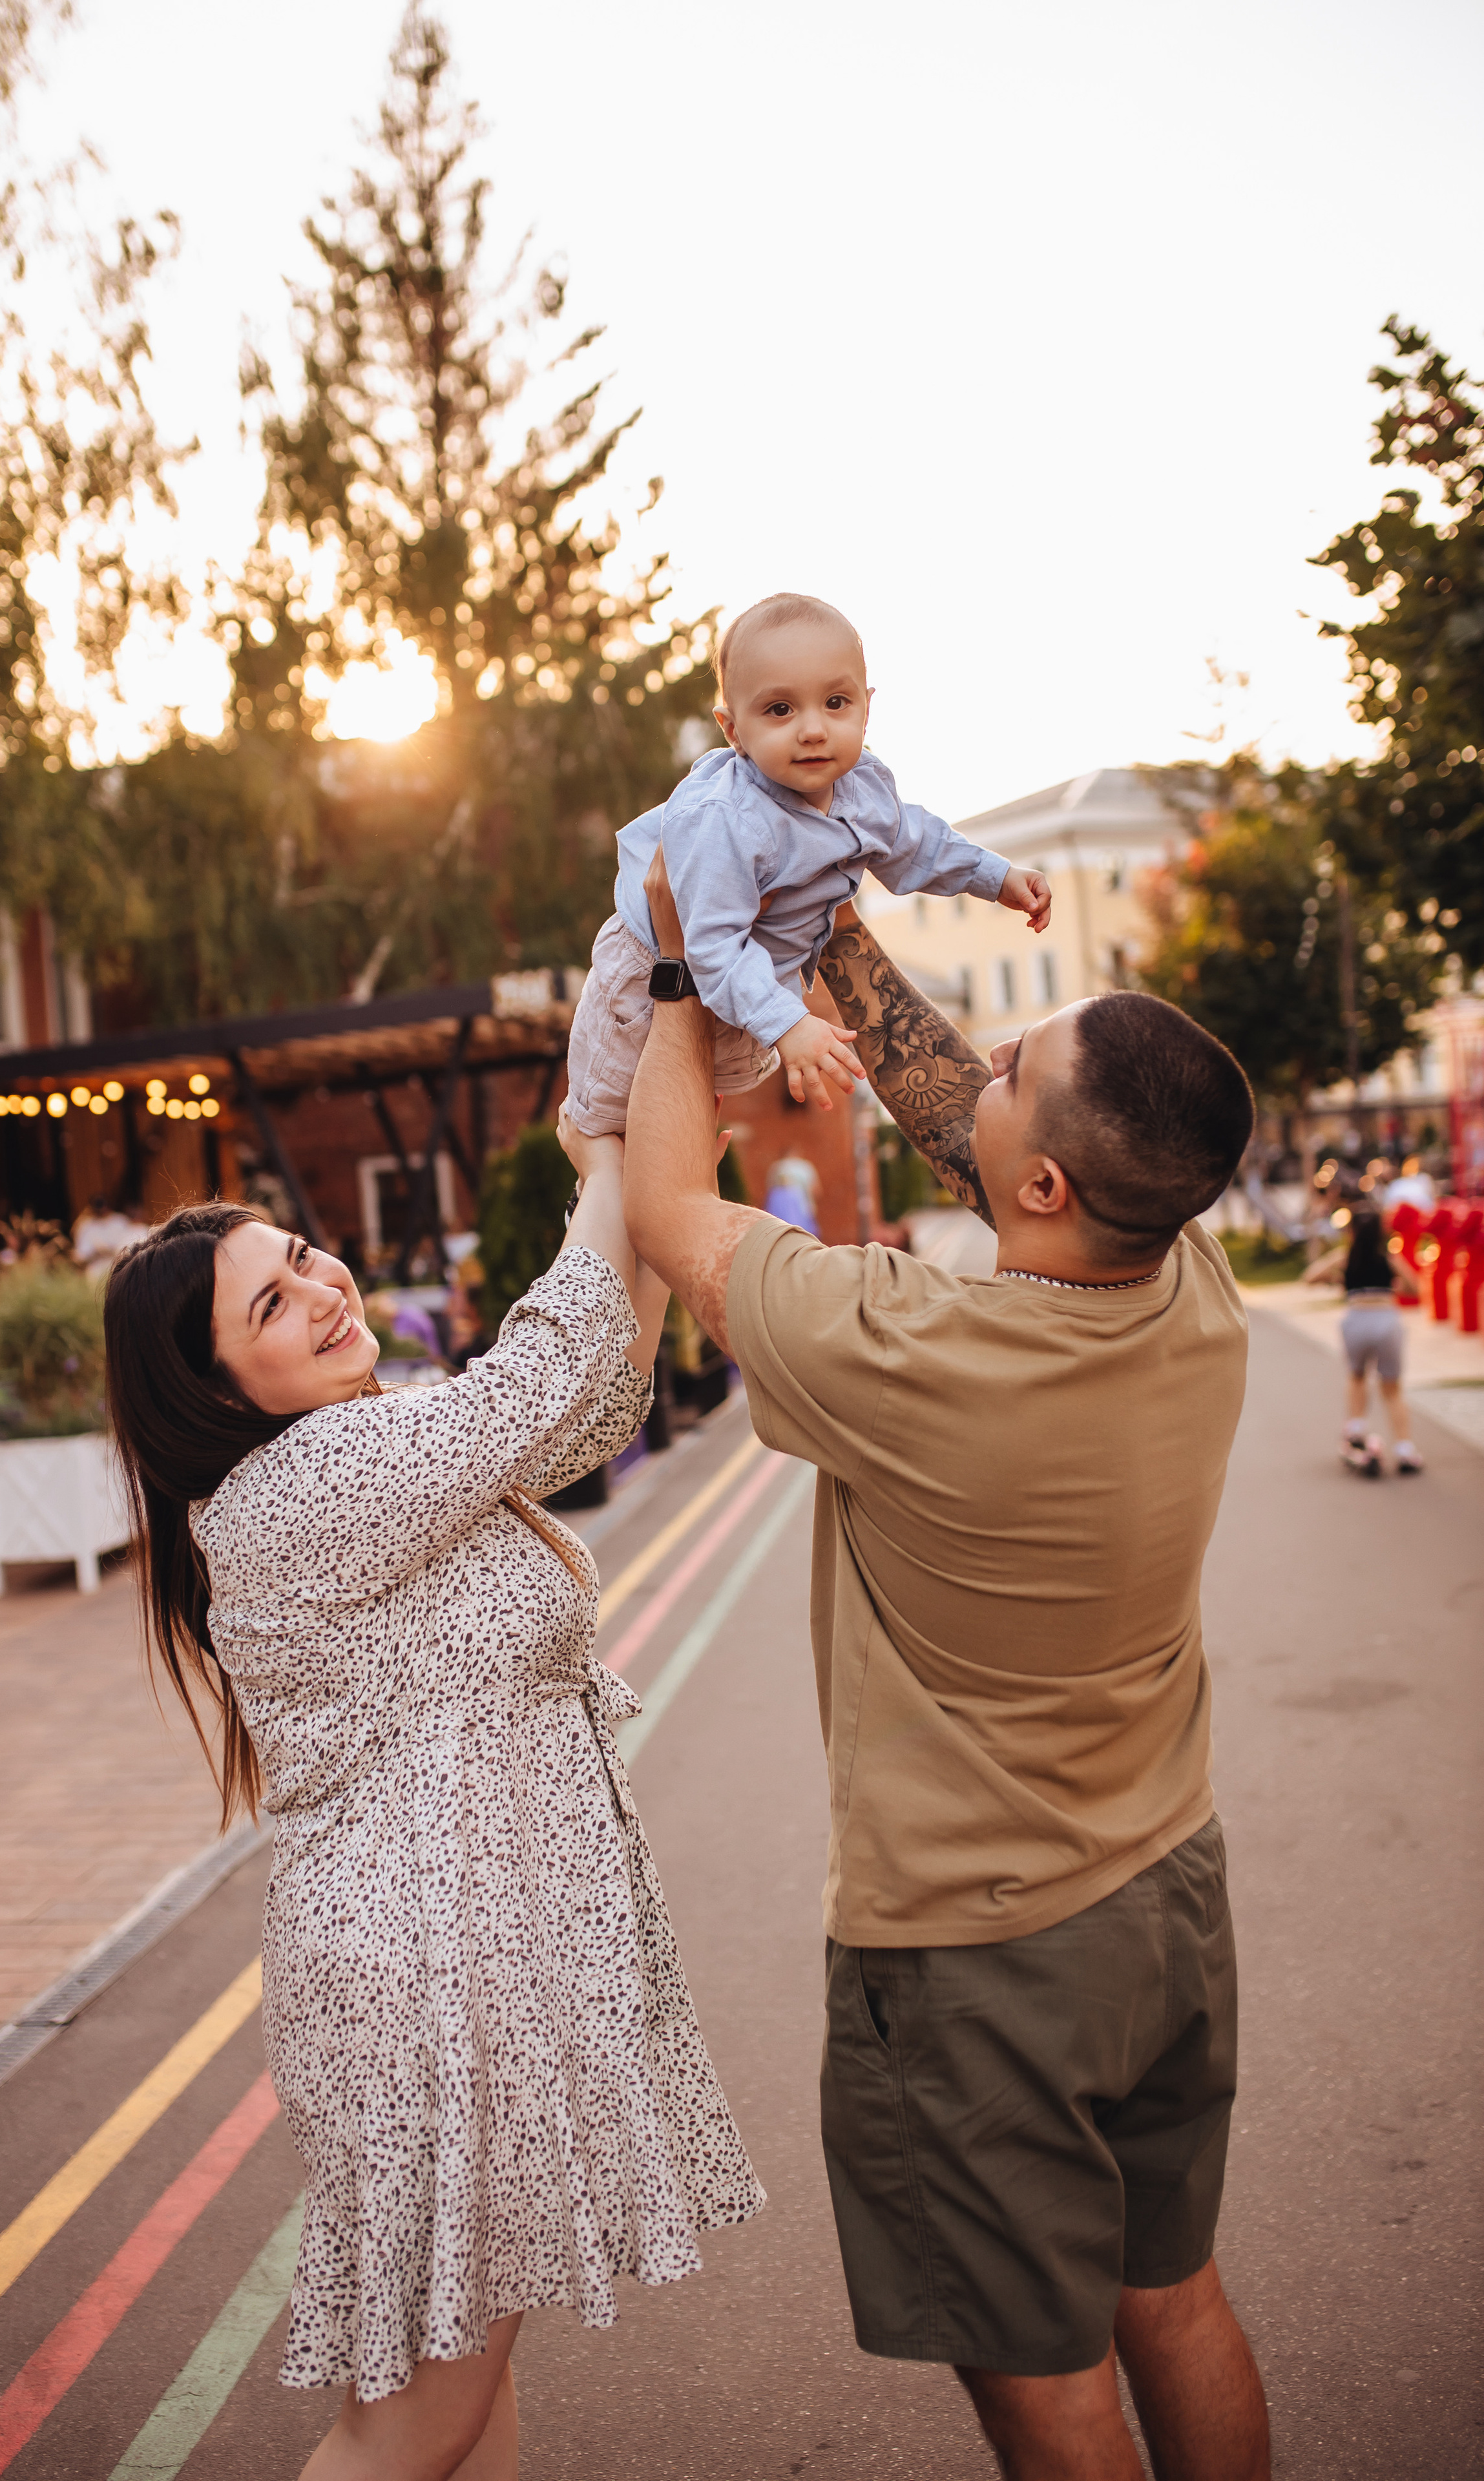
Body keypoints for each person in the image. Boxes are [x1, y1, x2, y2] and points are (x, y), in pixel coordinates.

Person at [623, 861, 1271, 2481]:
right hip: (1162, 1898)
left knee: (1047, 2386)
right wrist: (828, 935)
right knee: (1170, 2297)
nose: (973, 1069)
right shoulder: (1188, 1283)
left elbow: (663, 1208)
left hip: (981, 1965)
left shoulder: (909, 1353)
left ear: (1042, 1186)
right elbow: (965, 1115)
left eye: (1009, 1067)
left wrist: (686, 959)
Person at [102, 1116, 763, 2481]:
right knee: (410, 2422)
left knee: (465, 2375)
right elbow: (534, 1381)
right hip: (421, 1994)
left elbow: (589, 1404)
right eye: (270, 1305)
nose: (324, 1289)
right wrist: (606, 1160)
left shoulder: (372, 1439)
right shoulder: (301, 1485)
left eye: (302, 1258)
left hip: (466, 1965)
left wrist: (638, 1190)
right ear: (211, 1388)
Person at [564, 592, 1051, 1134]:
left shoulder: (863, 787)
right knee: (607, 1135)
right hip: (649, 978)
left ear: (868, 707)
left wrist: (998, 877)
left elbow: (918, 841)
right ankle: (594, 1199)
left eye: (836, 703)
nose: (814, 729)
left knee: (672, 1139)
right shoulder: (731, 818)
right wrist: (789, 1025)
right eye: (780, 709)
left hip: (741, 989)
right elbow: (713, 945)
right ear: (732, 730)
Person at [1304, 1197, 1424, 1474]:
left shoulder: (1346, 1258)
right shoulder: (1389, 1258)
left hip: (1356, 1318)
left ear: (1352, 1232)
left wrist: (1337, 1278)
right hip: (1386, 1318)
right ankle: (1405, 1450)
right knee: (1392, 1388)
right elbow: (1415, 1288)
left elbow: (1310, 1277)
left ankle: (1357, 1428)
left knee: (1357, 1376)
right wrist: (1392, 1286)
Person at [764, 1151, 822, 1236]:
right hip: (801, 1205)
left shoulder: (778, 1167)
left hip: (780, 1208)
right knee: (803, 1233)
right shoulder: (804, 1167)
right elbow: (815, 1190)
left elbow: (769, 1187)